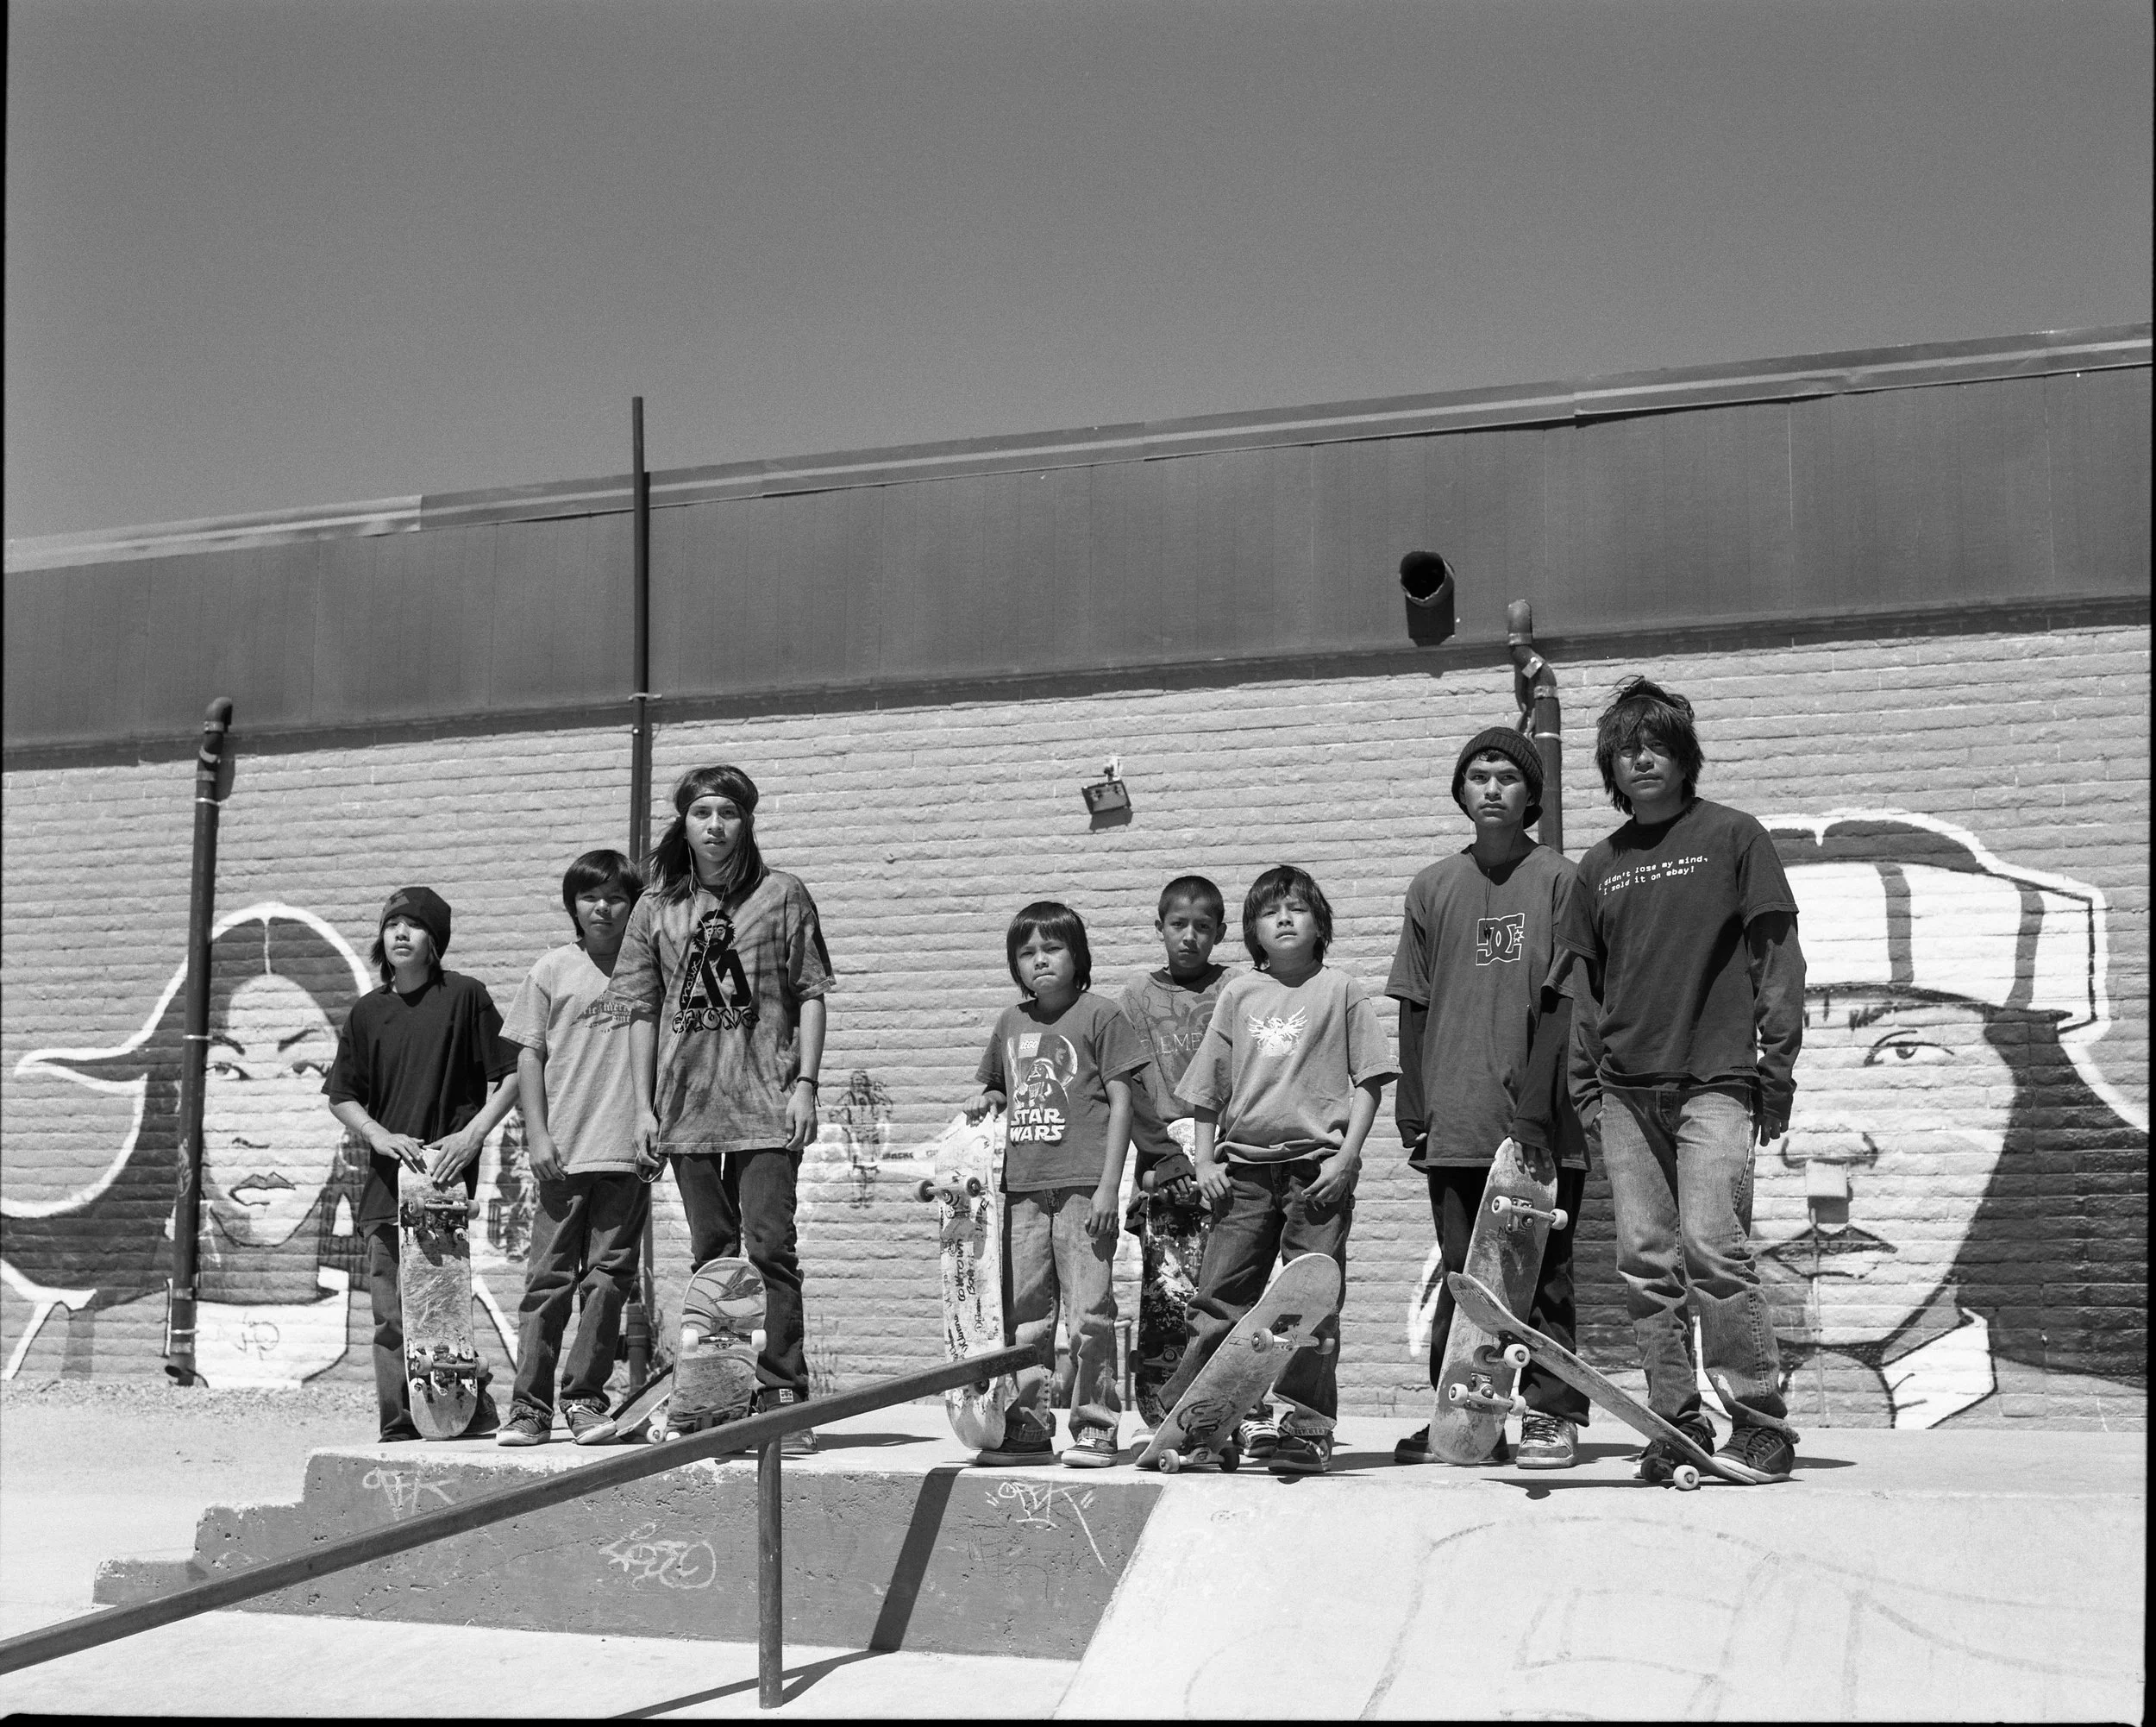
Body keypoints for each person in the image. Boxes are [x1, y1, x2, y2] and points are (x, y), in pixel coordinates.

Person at [1539, 677, 1806, 1479]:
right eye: (1626, 749)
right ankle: (1674, 1422)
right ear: (1610, 770)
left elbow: (1776, 957)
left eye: (1656, 744)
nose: (1642, 757)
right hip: (1625, 1093)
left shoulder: (1734, 836)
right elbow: (1584, 989)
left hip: (1715, 1082)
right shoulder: (1599, 866)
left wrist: (1778, 1067)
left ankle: (1761, 1421)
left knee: (1714, 1250)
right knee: (1646, 1264)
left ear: (1685, 758)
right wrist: (1587, 1091)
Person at [602, 765, 832, 1454]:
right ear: (685, 822)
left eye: (727, 812)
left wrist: (807, 1085)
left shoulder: (782, 895)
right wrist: (643, 1109)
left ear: (746, 821)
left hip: (766, 1104)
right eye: (701, 812)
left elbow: (812, 992)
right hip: (688, 1110)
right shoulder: (655, 908)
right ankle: (718, 1398)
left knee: (769, 1251)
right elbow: (641, 1011)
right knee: (712, 1259)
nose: (714, 825)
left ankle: (782, 1400)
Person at [1388, 727, 1595, 1469]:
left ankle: (1552, 1415)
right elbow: (1413, 1003)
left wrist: (1538, 1108)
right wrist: (1414, 1100)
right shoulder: (1432, 887)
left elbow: (1570, 1003)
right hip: (1457, 1118)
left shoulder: (1561, 881)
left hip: (1542, 1124)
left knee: (1544, 1279)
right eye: (1478, 776)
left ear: (1532, 794)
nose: (1493, 788)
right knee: (1465, 1280)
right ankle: (1466, 1416)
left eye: (1508, 776)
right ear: (1462, 793)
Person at [1160, 865, 1397, 1476]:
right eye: (1270, 912)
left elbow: (1371, 1080)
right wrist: (1206, 1159)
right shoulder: (1239, 994)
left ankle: (1306, 1423)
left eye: (1297, 908)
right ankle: (1204, 1423)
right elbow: (1208, 1089)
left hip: (1316, 1172)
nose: (1284, 918)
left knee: (1309, 1305)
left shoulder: (1340, 989)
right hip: (1242, 1174)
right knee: (1220, 1301)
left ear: (1320, 923)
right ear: (1253, 931)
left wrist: (1348, 1158)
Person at [324, 887, 520, 1441]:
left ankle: (464, 1407)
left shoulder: (466, 997)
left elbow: (511, 1073)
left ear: (435, 940)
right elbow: (342, 1095)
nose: (401, 934)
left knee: (443, 1312)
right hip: (389, 1186)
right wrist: (378, 1134)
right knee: (392, 1317)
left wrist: (473, 1135)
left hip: (441, 1187)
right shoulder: (368, 1012)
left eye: (414, 925)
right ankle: (402, 1424)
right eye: (392, 925)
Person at [970, 901, 1144, 1468]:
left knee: (1089, 1315)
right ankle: (1027, 1427)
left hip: (1081, 1191)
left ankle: (1095, 1427)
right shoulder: (1010, 1023)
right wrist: (989, 1098)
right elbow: (999, 1088)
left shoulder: (1101, 1016)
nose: (1039, 961)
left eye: (1052, 949)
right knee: (1024, 1319)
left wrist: (1107, 1188)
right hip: (1022, 1191)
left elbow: (1123, 1103)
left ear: (1078, 955)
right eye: (1027, 953)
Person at [495, 850, 649, 1447]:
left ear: (631, 905)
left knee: (609, 1281)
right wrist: (536, 1135)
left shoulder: (647, 971)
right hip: (562, 1154)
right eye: (590, 897)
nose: (603, 907)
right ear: (573, 907)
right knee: (548, 1281)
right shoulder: (552, 969)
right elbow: (527, 1055)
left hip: (625, 1155)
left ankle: (585, 1401)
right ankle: (529, 1409)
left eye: (614, 897)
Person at [1117, 876, 1234, 1429]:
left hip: (1229, 1160)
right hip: (1166, 1167)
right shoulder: (1136, 999)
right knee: (1168, 1291)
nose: (1189, 936)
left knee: (1228, 1284)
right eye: (1178, 925)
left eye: (1203, 927)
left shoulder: (1238, 988)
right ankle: (1161, 1405)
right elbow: (1130, 1086)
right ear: (1158, 928)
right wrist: (1163, 1155)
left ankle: (1231, 1405)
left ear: (1221, 934)